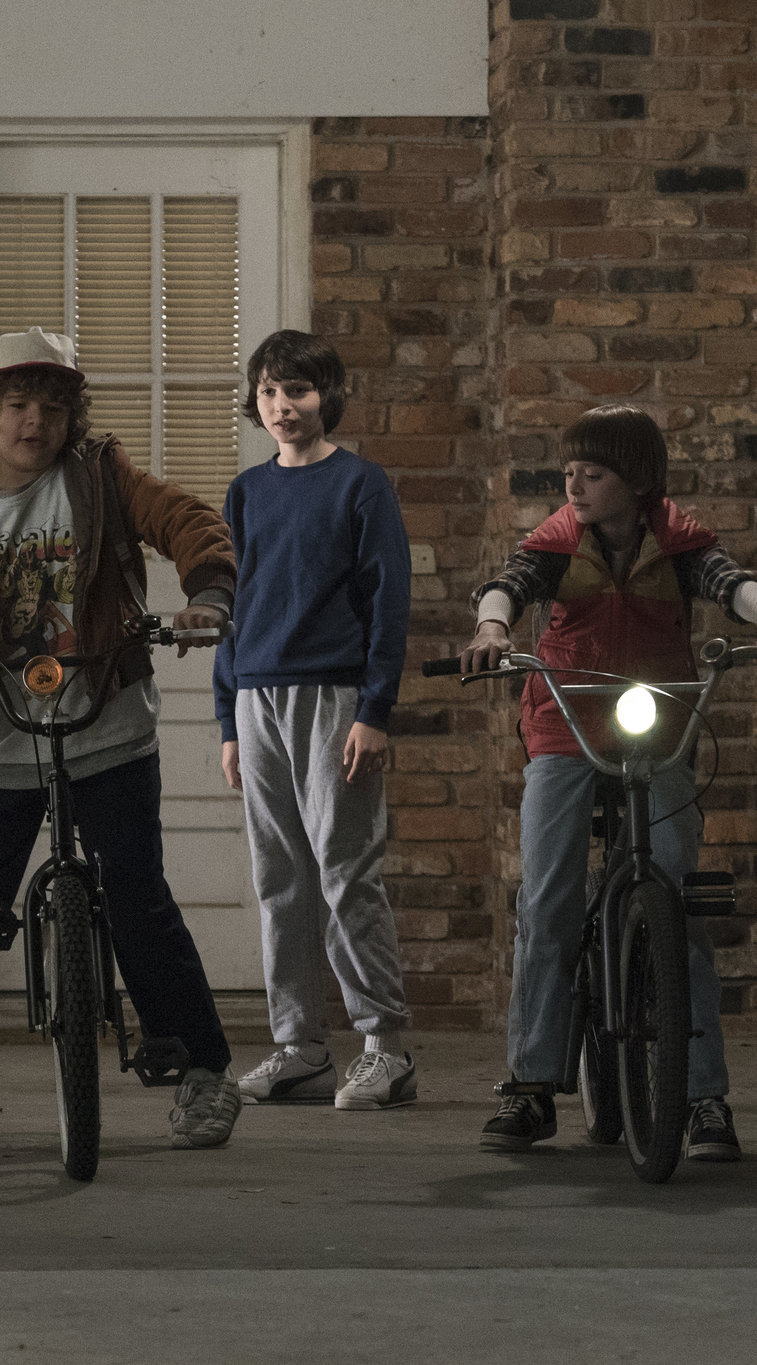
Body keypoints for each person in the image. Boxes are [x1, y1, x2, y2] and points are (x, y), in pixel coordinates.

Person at [0, 327, 243, 1151]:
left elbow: (186, 521)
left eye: (53, 407)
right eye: (19, 404)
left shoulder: (102, 478)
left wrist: (208, 593)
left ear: (72, 417)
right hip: (2, 738)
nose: (36, 421)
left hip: (107, 726)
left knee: (138, 898)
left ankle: (204, 1072)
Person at [460, 404, 757, 1161]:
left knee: (678, 896)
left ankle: (703, 1097)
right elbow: (509, 583)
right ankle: (531, 1084)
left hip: (658, 726)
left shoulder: (680, 543)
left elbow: (734, 583)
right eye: (570, 471)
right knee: (548, 897)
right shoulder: (557, 545)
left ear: (637, 482)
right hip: (565, 725)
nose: (574, 483)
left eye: (592, 473)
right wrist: (494, 628)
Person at [215, 330, 417, 1111]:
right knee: (280, 880)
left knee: (346, 872)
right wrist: (229, 718)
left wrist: (375, 710)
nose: (282, 406)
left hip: (335, 700)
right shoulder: (246, 491)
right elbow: (231, 609)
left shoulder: (361, 485)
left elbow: (387, 603)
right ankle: (299, 1045)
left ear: (325, 396)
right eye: (268, 391)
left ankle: (384, 1046)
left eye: (296, 391)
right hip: (257, 700)